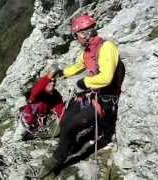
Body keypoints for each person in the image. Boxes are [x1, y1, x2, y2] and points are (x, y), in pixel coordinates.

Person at [40, 14, 125, 178]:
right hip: (94, 96)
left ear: (85, 34)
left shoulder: (107, 48)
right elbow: (78, 66)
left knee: (73, 124)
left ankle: (57, 160)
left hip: (107, 102)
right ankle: (67, 145)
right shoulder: (88, 51)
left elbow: (106, 78)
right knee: (66, 118)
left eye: (77, 35)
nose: (76, 38)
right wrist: (62, 73)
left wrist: (84, 83)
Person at [19, 69, 65, 139]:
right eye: (50, 82)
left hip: (41, 121)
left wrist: (64, 122)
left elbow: (60, 110)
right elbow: (36, 90)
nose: (52, 84)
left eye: (54, 82)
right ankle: (28, 134)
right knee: (22, 133)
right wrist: (48, 77)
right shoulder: (37, 93)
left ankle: (35, 133)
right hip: (28, 119)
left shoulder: (55, 95)